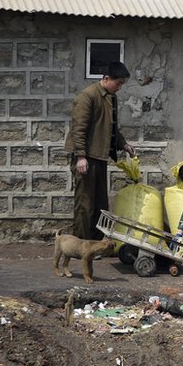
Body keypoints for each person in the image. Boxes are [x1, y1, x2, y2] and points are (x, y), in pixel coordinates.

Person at [64, 61, 136, 240]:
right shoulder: (87, 96)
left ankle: (96, 243)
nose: (119, 88)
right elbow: (78, 128)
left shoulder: (110, 97)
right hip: (86, 157)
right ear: (106, 79)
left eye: (121, 84)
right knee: (85, 203)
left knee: (100, 203)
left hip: (99, 155)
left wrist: (123, 144)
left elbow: (111, 127)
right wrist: (81, 157)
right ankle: (81, 243)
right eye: (118, 83)